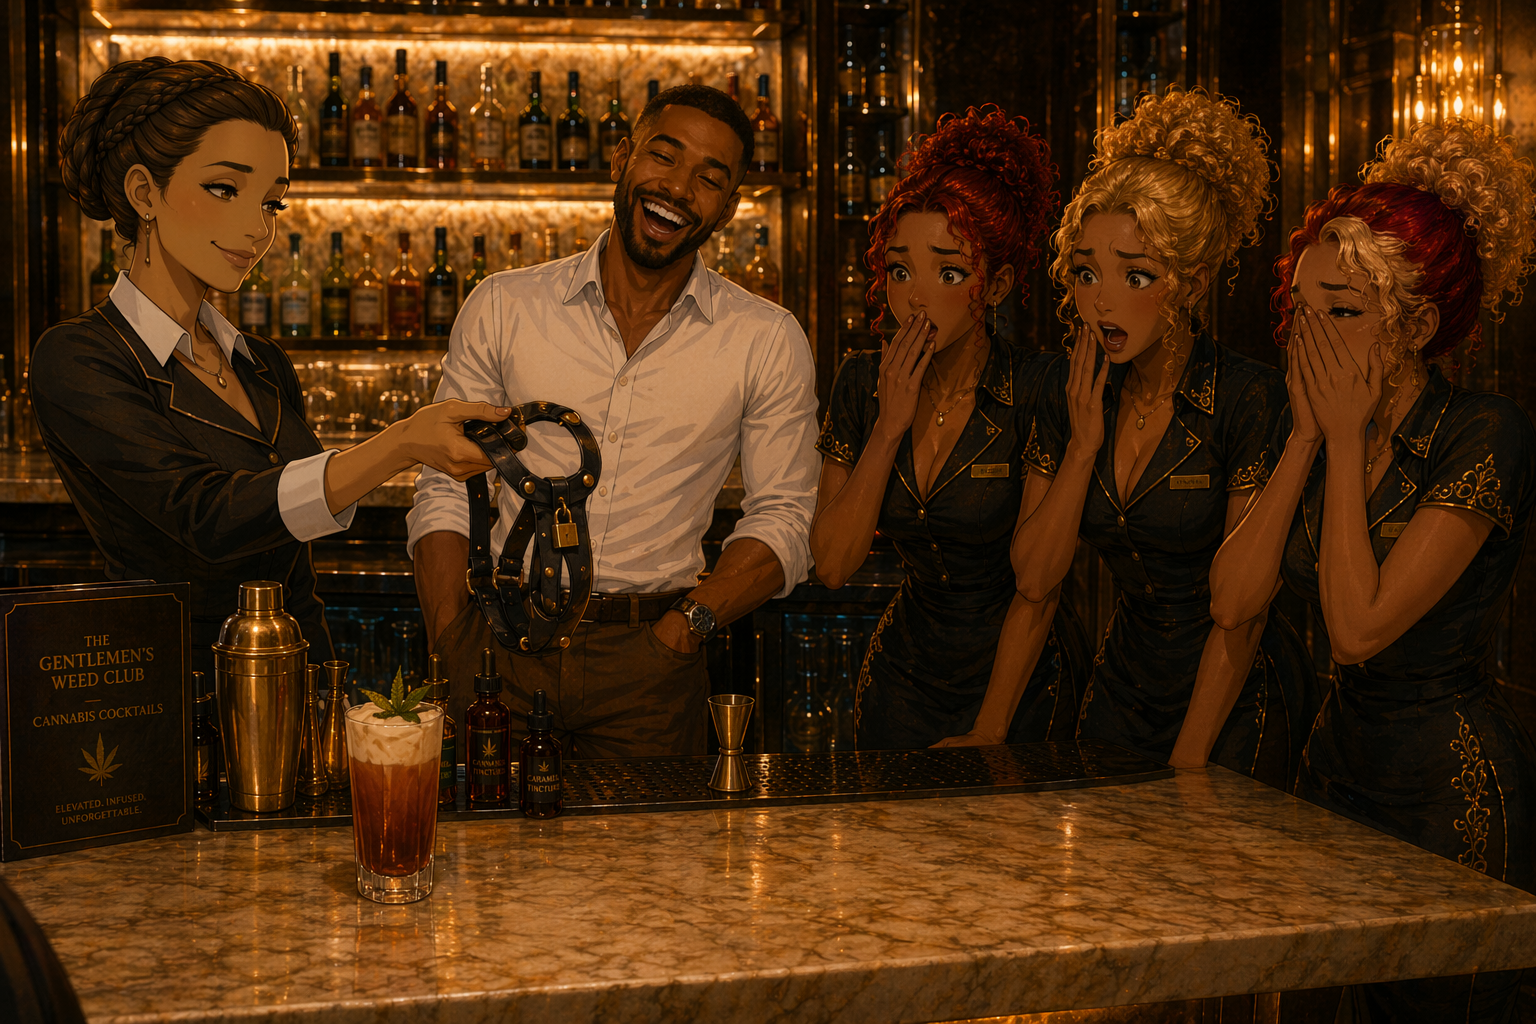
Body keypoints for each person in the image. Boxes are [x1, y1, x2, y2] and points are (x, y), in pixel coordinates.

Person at [1210, 118, 1536, 1023]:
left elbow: (1358, 631)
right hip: (1332, 767)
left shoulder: (1485, 432)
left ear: (1417, 324)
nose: (1310, 338)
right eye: (1301, 311)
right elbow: (1232, 602)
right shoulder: (1312, 430)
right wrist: (1306, 439)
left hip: (1446, 789)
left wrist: (1347, 439)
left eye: (1344, 313)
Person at [33, 57, 506, 675]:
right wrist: (400, 445)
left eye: (272, 203)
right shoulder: (81, 356)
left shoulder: (261, 362)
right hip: (174, 684)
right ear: (145, 193)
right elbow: (205, 517)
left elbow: (297, 563)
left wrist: (323, 699)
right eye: (224, 189)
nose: (257, 228)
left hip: (293, 678)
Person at [409, 85, 819, 758]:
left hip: (653, 669)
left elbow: (785, 519)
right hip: (500, 647)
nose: (677, 188)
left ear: (729, 207)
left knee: (647, 835)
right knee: (484, 832)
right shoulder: (506, 305)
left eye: (709, 178)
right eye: (664, 155)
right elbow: (446, 482)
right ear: (622, 157)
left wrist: (682, 630)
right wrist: (451, 634)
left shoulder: (765, 339)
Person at [1010, 88, 1311, 788]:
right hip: (1121, 687)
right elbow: (1033, 579)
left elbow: (1240, 613)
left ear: (1193, 282)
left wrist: (1189, 761)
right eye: (1085, 272)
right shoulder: (1077, 391)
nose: (1100, 300)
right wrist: (1083, 447)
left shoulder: (1248, 398)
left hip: (1235, 701)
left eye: (1135, 274)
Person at [810, 106, 1087, 751]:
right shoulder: (862, 381)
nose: (915, 295)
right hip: (903, 678)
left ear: (998, 285)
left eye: (949, 272)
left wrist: (990, 729)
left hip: (1020, 682)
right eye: (900, 270)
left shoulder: (1037, 387)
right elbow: (833, 564)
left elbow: (1038, 587)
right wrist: (888, 428)